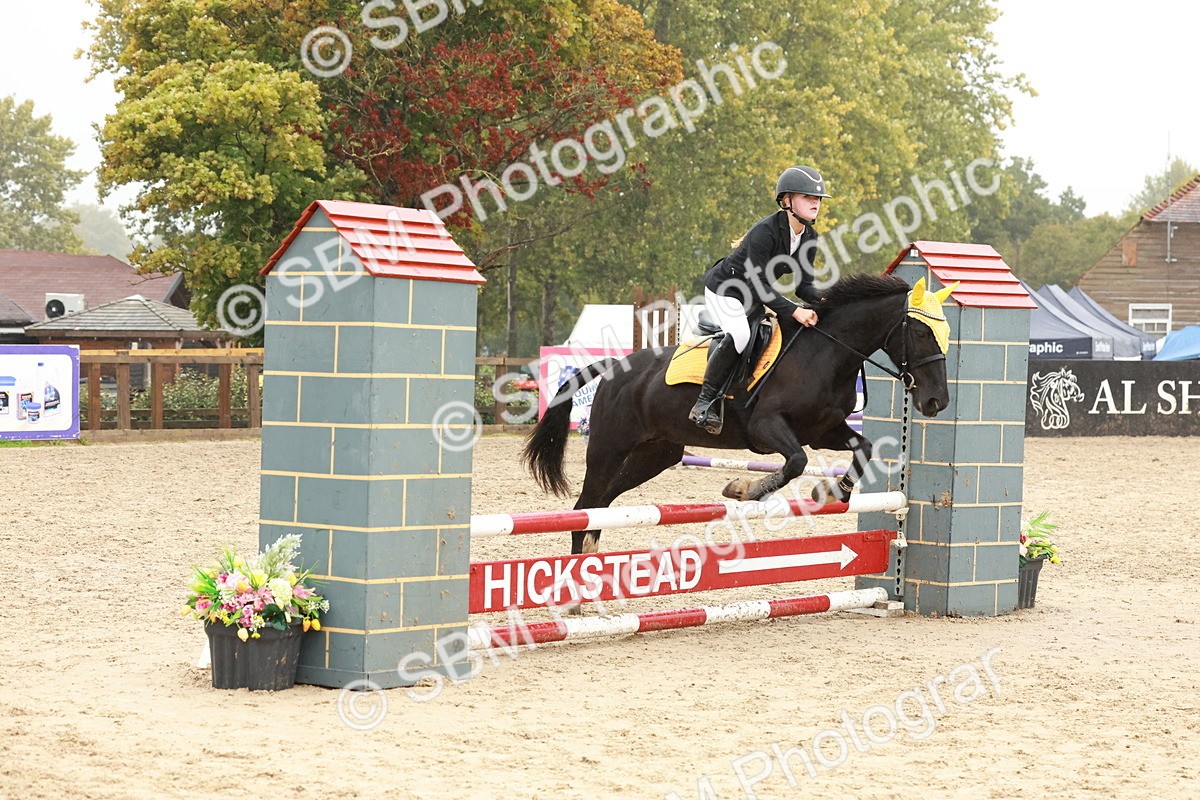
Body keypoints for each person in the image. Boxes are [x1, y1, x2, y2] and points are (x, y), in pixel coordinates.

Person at [688, 165, 830, 434]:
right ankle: (704, 402)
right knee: (741, 334)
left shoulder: (809, 236)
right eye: (807, 197)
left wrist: (829, 299)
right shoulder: (765, 232)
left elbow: (804, 287)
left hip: (752, 294)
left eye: (818, 198)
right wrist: (794, 311)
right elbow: (758, 282)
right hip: (725, 290)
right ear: (787, 201)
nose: (815, 202)